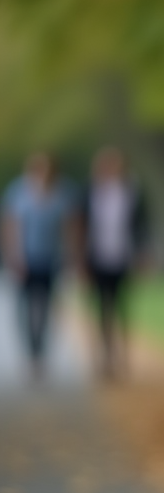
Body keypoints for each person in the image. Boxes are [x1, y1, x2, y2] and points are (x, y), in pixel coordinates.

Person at [2, 152, 78, 379]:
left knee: (46, 308)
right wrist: (13, 256)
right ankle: (31, 352)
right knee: (24, 309)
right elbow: (10, 226)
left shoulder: (63, 194)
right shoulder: (18, 192)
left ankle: (41, 353)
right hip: (25, 259)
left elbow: (70, 227)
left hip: (51, 260)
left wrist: (72, 256)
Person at [79, 146, 150, 378]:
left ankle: (123, 355)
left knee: (122, 307)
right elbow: (80, 226)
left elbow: (142, 225)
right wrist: (80, 260)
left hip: (123, 257)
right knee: (102, 308)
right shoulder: (89, 192)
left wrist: (143, 254)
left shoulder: (133, 192)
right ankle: (106, 356)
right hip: (97, 258)